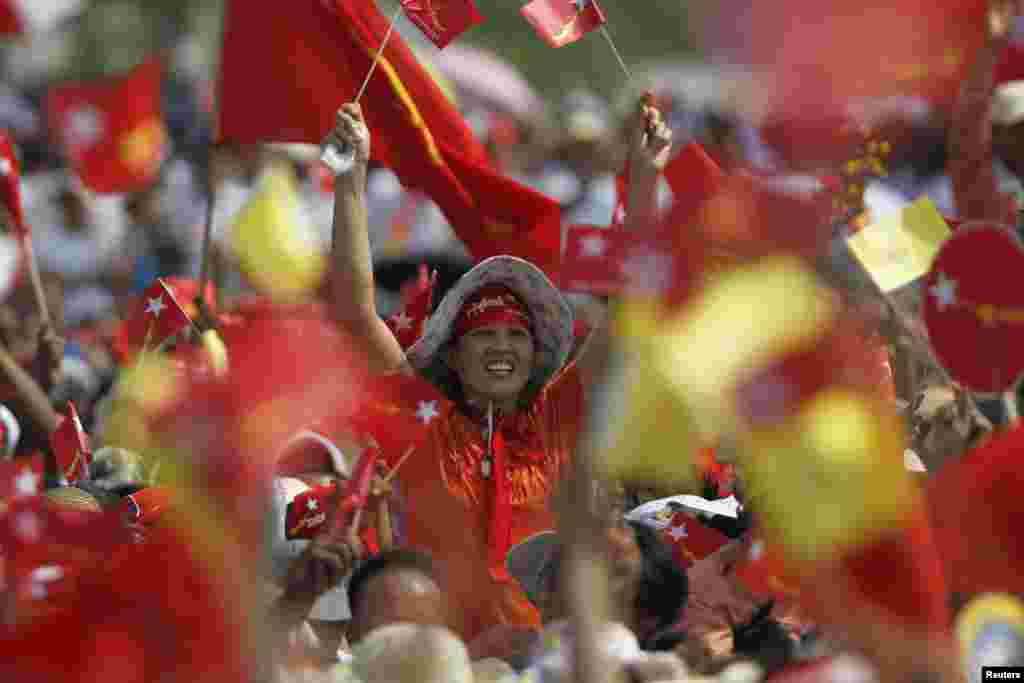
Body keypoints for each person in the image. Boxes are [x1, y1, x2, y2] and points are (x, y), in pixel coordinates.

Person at [325, 96, 672, 649]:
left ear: (537, 355)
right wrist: (350, 179)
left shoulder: (561, 416)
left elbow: (631, 307)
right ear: (454, 355)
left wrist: (646, 181)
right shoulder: (425, 422)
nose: (501, 348)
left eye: (516, 336)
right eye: (483, 336)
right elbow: (354, 312)